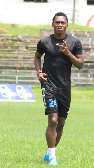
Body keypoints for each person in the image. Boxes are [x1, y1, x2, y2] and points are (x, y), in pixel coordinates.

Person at [34, 12, 84, 166]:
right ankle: (53, 158)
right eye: (57, 22)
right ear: (53, 24)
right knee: (53, 119)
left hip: (65, 88)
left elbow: (80, 64)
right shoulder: (44, 42)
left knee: (61, 123)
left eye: (62, 22)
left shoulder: (74, 43)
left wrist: (68, 53)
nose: (60, 25)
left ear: (67, 24)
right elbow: (37, 56)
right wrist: (39, 72)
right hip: (49, 85)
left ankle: (49, 153)